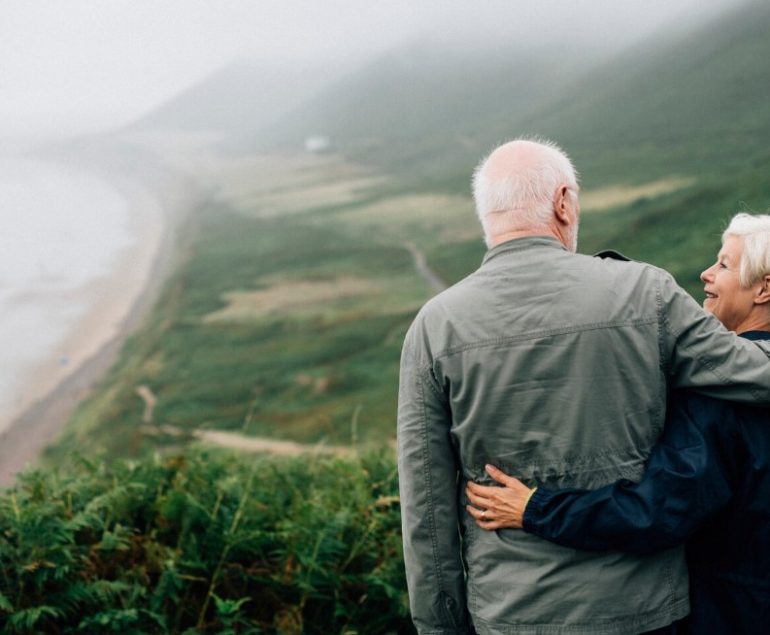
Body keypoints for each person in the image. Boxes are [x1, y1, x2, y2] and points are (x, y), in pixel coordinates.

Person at [397, 138, 770, 635]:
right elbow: (752, 373)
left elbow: (426, 510)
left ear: (486, 215)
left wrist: (441, 627)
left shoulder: (433, 327)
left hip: (509, 614)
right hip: (645, 611)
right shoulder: (646, 292)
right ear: (564, 202)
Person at [465, 213, 770, 634]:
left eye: (723, 264)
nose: (706, 273)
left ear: (764, 288)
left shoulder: (720, 396)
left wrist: (536, 509)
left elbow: (659, 511)